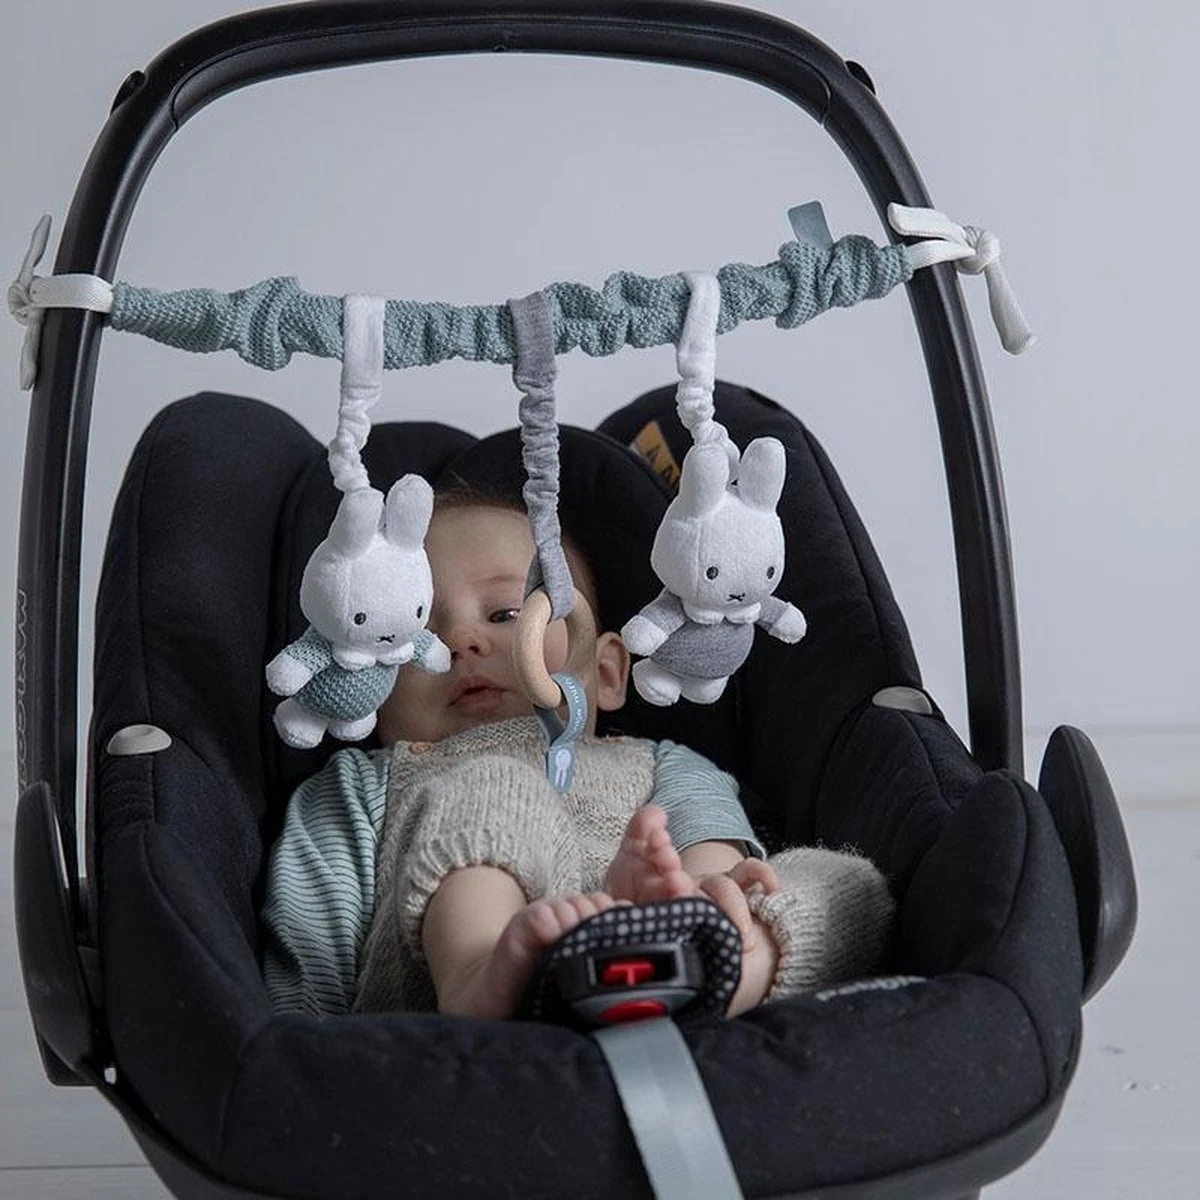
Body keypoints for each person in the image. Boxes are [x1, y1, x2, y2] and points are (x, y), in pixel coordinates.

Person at [261, 489, 894, 1021]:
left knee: (843, 880)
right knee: (493, 781)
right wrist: (312, 1054)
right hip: (453, 1023)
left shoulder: (662, 763)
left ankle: (716, 966)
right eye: (415, 633)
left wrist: (701, 889)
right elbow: (312, 941)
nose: (462, 640)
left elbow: (711, 842)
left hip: (665, 949)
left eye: (508, 612)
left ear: (607, 672)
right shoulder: (361, 783)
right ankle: (484, 970)